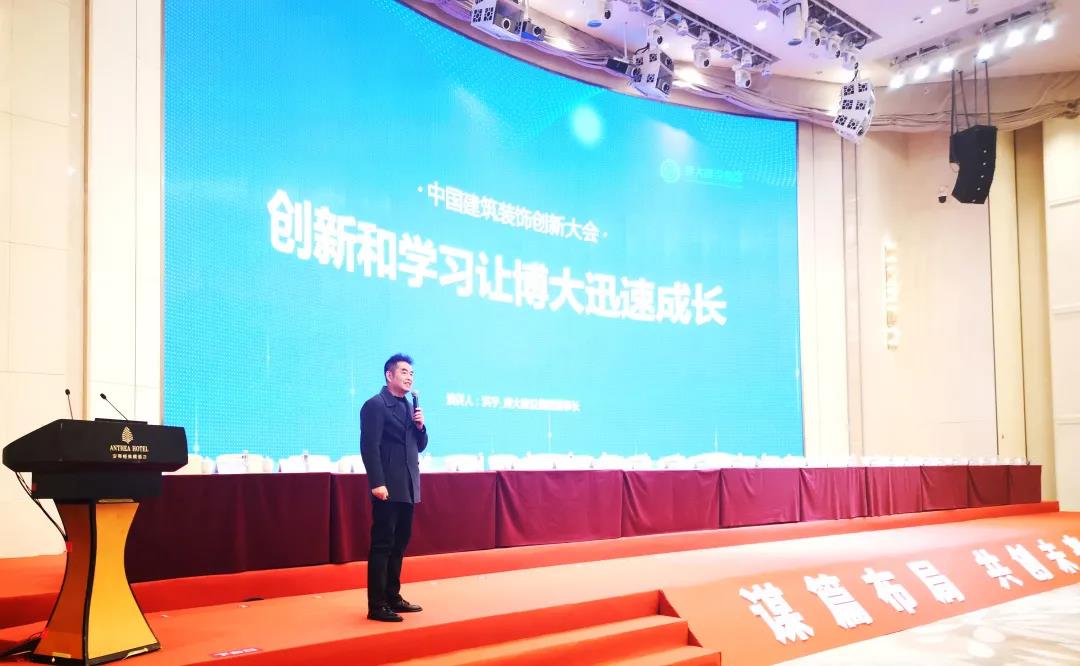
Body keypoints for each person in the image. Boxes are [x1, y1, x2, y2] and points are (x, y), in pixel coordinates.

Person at [359, 353, 428, 622]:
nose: (409, 377)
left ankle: (392, 596)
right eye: (404, 372)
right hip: (387, 486)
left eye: (412, 373)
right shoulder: (375, 405)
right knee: (383, 544)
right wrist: (377, 482)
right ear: (389, 375)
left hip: (408, 485)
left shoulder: (410, 407)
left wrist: (421, 427)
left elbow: (419, 446)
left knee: (399, 544)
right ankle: (377, 605)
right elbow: (369, 446)